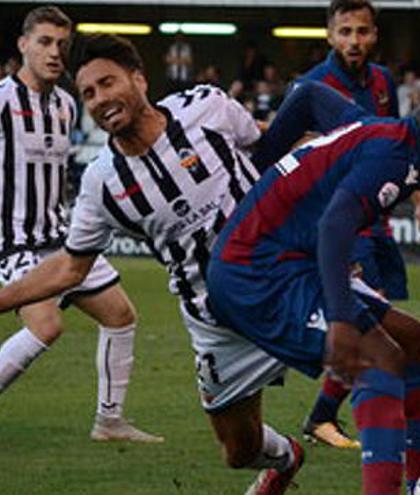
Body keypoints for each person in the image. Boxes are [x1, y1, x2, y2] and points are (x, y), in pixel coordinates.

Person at [0, 32, 383, 494]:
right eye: (88, 93)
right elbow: (70, 268)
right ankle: (285, 457)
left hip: (283, 279)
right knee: (238, 451)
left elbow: (264, 152)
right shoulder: (101, 183)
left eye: (107, 83)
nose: (100, 100)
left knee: (399, 357)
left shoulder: (206, 106)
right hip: (213, 320)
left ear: (139, 79)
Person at [207, 78, 420, 495]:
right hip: (256, 273)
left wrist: (261, 169)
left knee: (415, 341)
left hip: (287, 263)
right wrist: (342, 319)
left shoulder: (375, 128)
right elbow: (335, 224)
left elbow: (307, 95)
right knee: (377, 359)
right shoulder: (393, 157)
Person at [0, 6, 161, 443]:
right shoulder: (3, 100)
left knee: (121, 315)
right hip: (16, 245)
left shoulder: (68, 105)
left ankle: (109, 421)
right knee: (47, 327)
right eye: (45, 42)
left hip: (64, 241)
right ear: (23, 45)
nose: (55, 53)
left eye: (62, 45)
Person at [299, 0, 420, 455]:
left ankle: (327, 417)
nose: (354, 41)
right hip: (344, 225)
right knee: (389, 339)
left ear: (375, 35)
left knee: (390, 336)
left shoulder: (383, 81)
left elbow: (405, 143)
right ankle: (359, 429)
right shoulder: (312, 88)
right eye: (345, 31)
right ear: (329, 35)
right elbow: (295, 159)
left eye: (362, 31)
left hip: (377, 222)